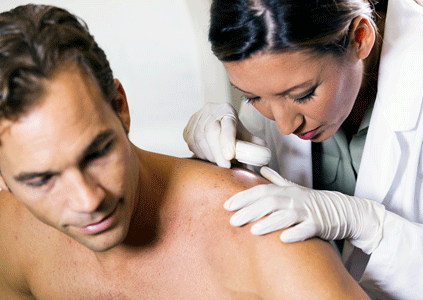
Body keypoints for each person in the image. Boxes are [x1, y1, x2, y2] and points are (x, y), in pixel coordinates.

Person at [0, 4, 370, 299]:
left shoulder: (262, 238)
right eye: (41, 179)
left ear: (120, 105)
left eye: (97, 154)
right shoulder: (11, 235)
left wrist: (372, 225)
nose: (87, 201)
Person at [183, 0, 423, 298]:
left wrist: (370, 226)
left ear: (360, 38)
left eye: (303, 94)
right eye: (251, 97)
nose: (284, 125)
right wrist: (220, 155)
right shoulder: (280, 76)